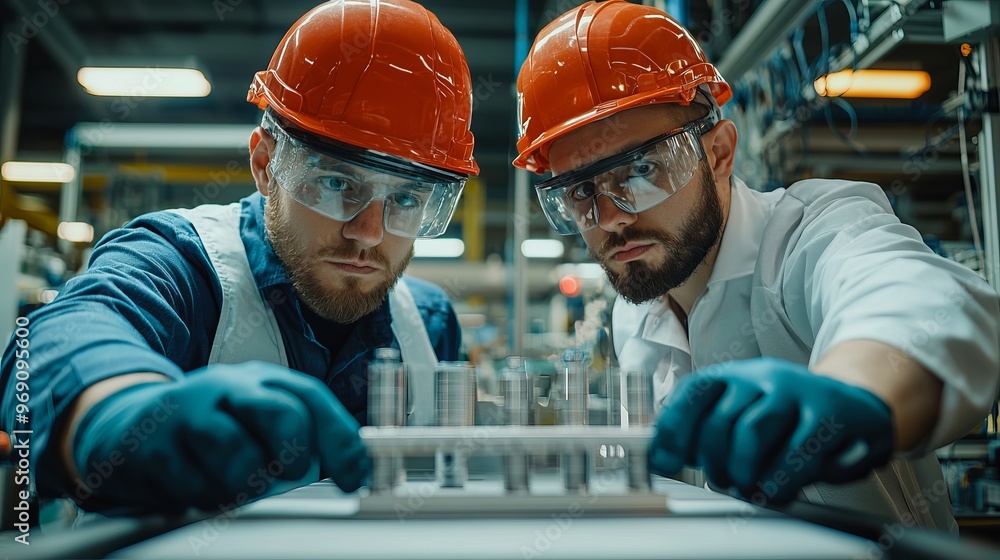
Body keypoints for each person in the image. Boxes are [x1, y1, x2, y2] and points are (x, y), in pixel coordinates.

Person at [514, 0, 999, 532]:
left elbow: (916, 298)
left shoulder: (807, 234)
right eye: (580, 191)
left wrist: (853, 395)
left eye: (640, 170)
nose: (607, 218)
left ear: (719, 155)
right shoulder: (634, 316)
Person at [0, 0, 478, 514]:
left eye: (406, 199)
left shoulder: (429, 326)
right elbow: (57, 339)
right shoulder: (181, 266)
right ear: (266, 164)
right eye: (337, 182)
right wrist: (117, 411)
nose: (367, 232)